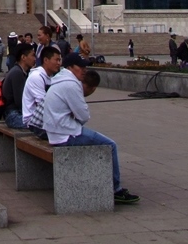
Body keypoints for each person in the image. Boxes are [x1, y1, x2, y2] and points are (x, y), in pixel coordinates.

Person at [41, 53, 140, 204]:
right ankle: (116, 190)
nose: (84, 69)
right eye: (80, 66)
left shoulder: (59, 80)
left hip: (56, 132)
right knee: (110, 145)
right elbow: (83, 116)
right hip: (66, 134)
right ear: (70, 68)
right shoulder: (71, 84)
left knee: (99, 139)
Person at [22, 45, 62, 137]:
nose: (59, 63)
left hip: (45, 120)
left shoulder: (50, 76)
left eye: (59, 60)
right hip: (33, 122)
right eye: (56, 60)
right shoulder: (37, 76)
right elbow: (44, 105)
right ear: (46, 60)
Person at [1, 42, 35, 128]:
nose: (35, 59)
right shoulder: (17, 73)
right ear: (23, 57)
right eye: (33, 55)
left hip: (16, 113)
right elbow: (20, 102)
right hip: (13, 115)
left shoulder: (20, 71)